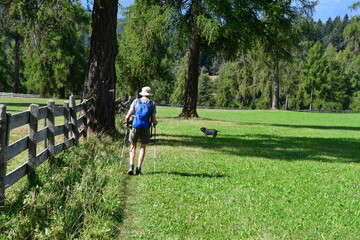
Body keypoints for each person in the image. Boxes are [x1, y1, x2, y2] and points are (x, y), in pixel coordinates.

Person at [124, 86, 158, 175]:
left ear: (142, 94)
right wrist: (155, 123)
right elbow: (153, 120)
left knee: (133, 145)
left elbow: (127, 116)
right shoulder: (152, 104)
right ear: (149, 95)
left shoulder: (136, 101)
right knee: (143, 147)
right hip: (145, 127)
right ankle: (138, 168)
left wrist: (127, 123)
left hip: (135, 126)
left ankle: (131, 165)